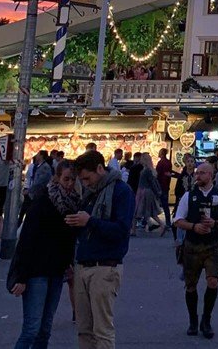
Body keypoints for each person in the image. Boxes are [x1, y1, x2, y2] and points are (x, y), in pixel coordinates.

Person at [8, 159, 79, 348]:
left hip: (56, 271)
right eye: (66, 179)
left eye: (73, 179)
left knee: (45, 329)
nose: (70, 184)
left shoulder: (73, 203)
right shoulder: (43, 202)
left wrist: (69, 263)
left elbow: (68, 240)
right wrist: (22, 277)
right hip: (36, 272)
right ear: (57, 178)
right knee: (32, 328)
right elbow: (26, 241)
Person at [68, 150, 134, 349]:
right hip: (83, 264)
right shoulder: (90, 194)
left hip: (105, 267)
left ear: (100, 168)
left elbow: (121, 231)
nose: (86, 183)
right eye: (82, 180)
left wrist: (90, 222)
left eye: (87, 178)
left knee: (102, 330)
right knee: (84, 329)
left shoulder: (121, 191)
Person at [174, 162, 218, 339]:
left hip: (212, 245)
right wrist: (193, 227)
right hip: (192, 245)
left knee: (213, 281)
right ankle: (193, 320)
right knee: (190, 286)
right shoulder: (188, 196)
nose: (197, 176)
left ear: (211, 175)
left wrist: (215, 224)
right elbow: (177, 220)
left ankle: (206, 319)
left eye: (202, 173)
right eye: (197, 173)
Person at [133, 153, 165, 237]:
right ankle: (160, 224)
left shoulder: (146, 171)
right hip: (146, 191)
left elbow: (152, 182)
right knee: (149, 212)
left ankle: (133, 230)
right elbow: (153, 182)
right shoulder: (149, 170)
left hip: (144, 192)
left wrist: (157, 191)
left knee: (137, 211)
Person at [155, 148, 173, 231]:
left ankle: (146, 221)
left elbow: (158, 174)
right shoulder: (168, 162)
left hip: (160, 185)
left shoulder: (161, 162)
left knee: (154, 203)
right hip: (165, 185)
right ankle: (168, 222)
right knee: (165, 205)